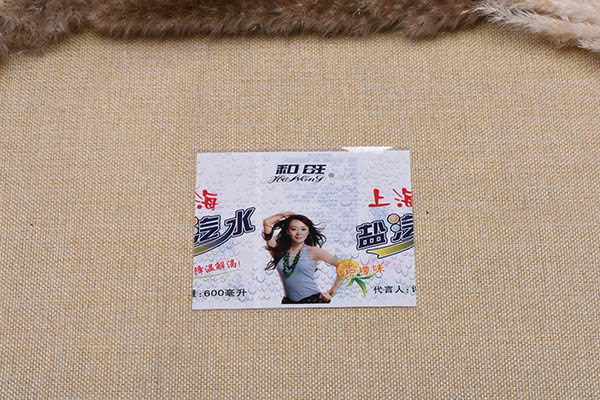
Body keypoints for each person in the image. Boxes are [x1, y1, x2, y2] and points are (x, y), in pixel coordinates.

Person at [263, 211, 345, 304]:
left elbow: (345, 265)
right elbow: (267, 223)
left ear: (308, 231)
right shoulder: (279, 252)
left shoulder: (313, 251)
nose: (299, 233)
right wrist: (285, 214)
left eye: (303, 229)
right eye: (294, 229)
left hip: (313, 301)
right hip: (288, 304)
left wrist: (332, 291)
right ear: (287, 231)